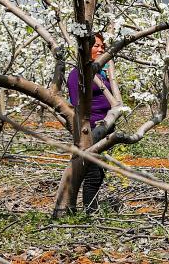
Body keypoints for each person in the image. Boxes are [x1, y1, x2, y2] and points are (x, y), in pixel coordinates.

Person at [66, 32, 121, 212]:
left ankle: (89, 210)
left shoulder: (99, 73)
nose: (101, 49)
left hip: (104, 127)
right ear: (85, 50)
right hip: (91, 130)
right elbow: (77, 105)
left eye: (102, 46)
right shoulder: (78, 75)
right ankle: (90, 212)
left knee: (97, 172)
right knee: (92, 174)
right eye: (96, 46)